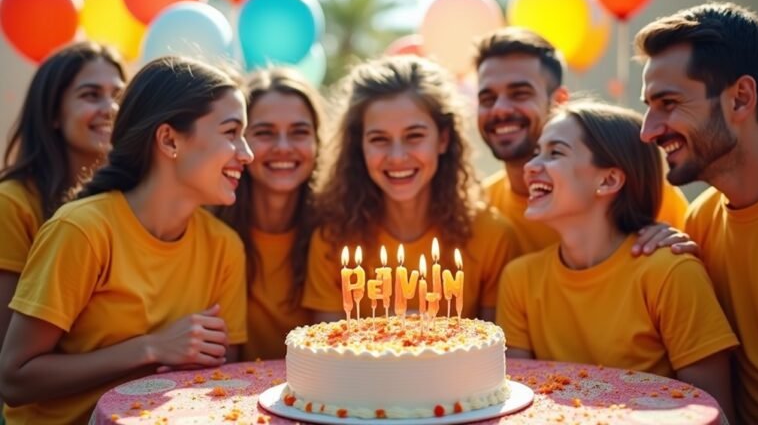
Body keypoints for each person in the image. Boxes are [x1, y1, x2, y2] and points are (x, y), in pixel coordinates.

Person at [0, 56, 252, 425]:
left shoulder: (225, 246)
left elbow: (218, 383)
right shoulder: (82, 230)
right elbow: (13, 378)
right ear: (169, 140)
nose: (248, 153)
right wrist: (151, 348)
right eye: (231, 132)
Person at [496, 100, 739, 422]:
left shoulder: (671, 272)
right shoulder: (519, 279)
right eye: (537, 152)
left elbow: (714, 414)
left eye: (555, 152)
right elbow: (519, 411)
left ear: (608, 181)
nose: (530, 166)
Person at [302, 55, 520, 323]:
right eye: (379, 139)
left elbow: (496, 354)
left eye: (414, 136)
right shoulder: (332, 241)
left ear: (443, 139)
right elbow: (330, 355)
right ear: (359, 146)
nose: (397, 156)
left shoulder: (492, 236)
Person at [635, 2, 758, 424]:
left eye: (668, 103)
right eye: (648, 106)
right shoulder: (701, 221)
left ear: (741, 98)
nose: (648, 130)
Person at [474, 28, 691, 256]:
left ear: (559, 101)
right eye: (487, 99)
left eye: (519, 94)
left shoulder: (633, 189)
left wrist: (672, 240)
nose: (500, 109)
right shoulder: (478, 211)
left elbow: (687, 260)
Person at [0, 42, 126, 362]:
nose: (110, 108)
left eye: (118, 96)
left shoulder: (131, 200)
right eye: (90, 95)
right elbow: (9, 352)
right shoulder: (11, 204)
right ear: (53, 113)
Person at [215, 68, 321, 360]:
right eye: (265, 133)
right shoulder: (211, 230)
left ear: (317, 142)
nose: (283, 148)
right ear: (240, 143)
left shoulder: (335, 232)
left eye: (299, 132)